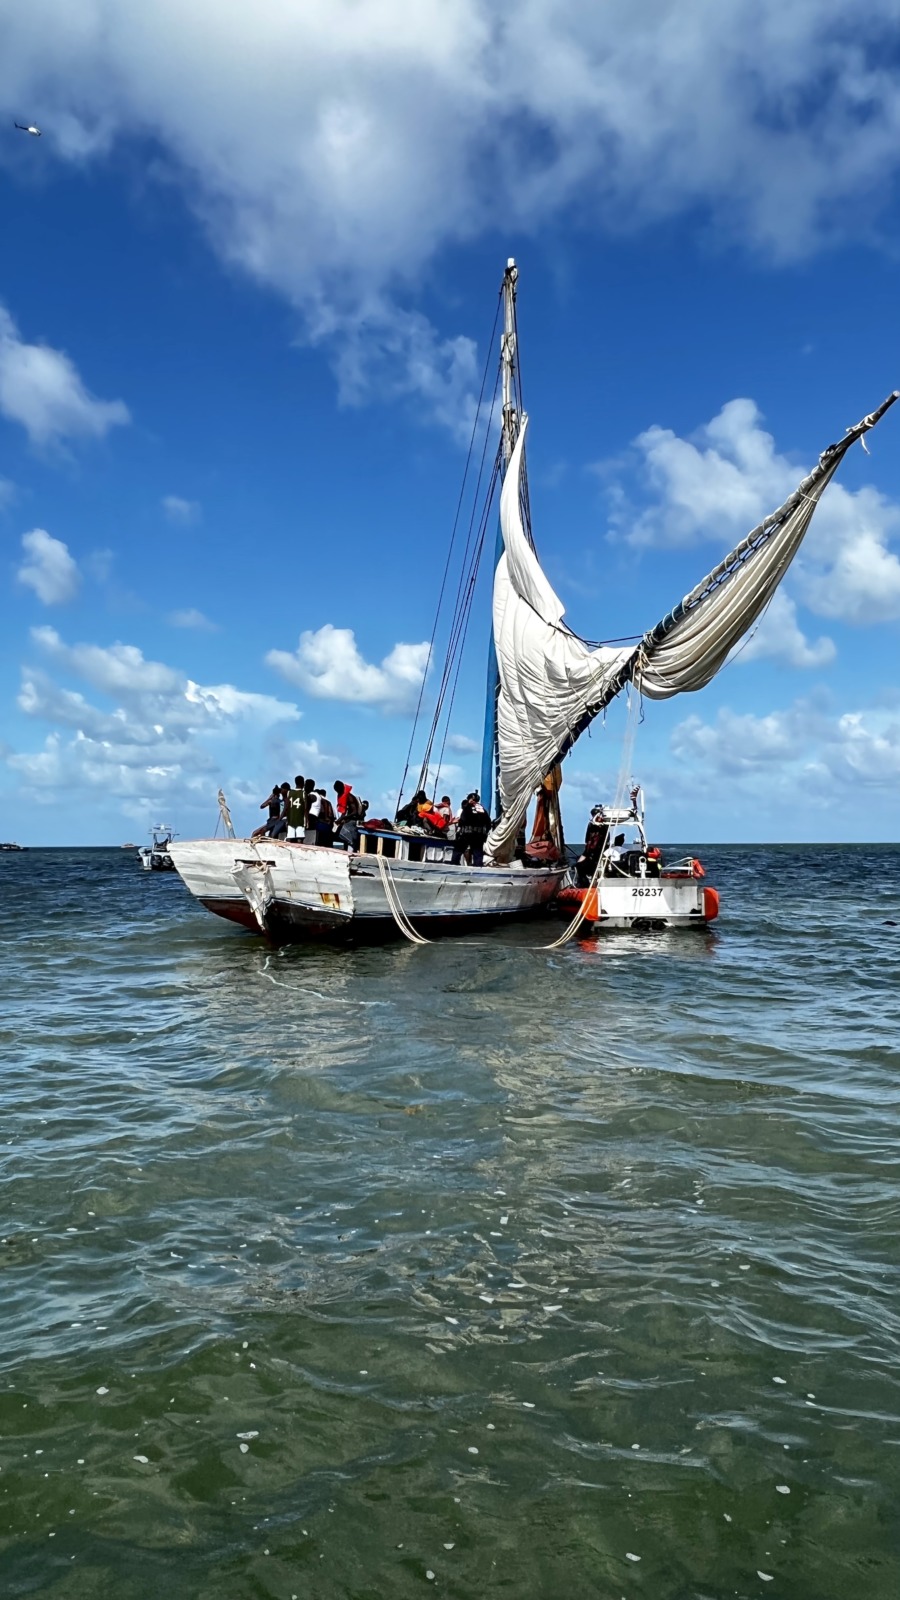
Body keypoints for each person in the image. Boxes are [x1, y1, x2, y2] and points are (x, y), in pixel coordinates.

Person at [451, 791, 491, 866]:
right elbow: (488, 824)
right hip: (479, 836)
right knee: (478, 854)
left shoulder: (467, 808)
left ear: (470, 800)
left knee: (458, 850)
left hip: (467, 834)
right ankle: (478, 870)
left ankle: (453, 866)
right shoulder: (483, 810)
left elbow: (463, 820)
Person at [576, 806, 609, 885]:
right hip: (590, 851)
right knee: (578, 865)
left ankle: (588, 881)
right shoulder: (591, 825)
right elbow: (587, 839)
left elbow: (604, 839)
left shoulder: (603, 826)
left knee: (585, 865)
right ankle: (584, 882)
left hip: (597, 852)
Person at [335, 784, 364, 849]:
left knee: (346, 836)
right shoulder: (344, 797)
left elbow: (355, 812)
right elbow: (344, 812)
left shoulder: (350, 797)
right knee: (338, 834)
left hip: (352, 820)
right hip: (348, 819)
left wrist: (344, 818)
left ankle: (351, 849)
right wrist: (339, 820)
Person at [286, 775, 307, 839]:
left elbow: (287, 807)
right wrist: (307, 820)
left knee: (290, 837)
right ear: (302, 783)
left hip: (291, 819)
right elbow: (305, 808)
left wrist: (287, 819)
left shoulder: (289, 792)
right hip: (300, 819)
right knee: (300, 838)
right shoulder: (303, 793)